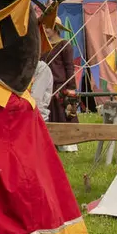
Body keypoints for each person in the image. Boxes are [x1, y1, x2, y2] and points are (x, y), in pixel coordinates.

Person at [41, 17, 79, 151]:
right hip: (46, 86)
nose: (45, 29)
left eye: (48, 27)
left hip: (61, 86)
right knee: (48, 115)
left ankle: (68, 144)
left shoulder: (64, 45)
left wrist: (71, 88)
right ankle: (51, 144)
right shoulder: (43, 46)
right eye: (44, 26)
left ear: (56, 28)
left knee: (64, 114)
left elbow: (69, 67)